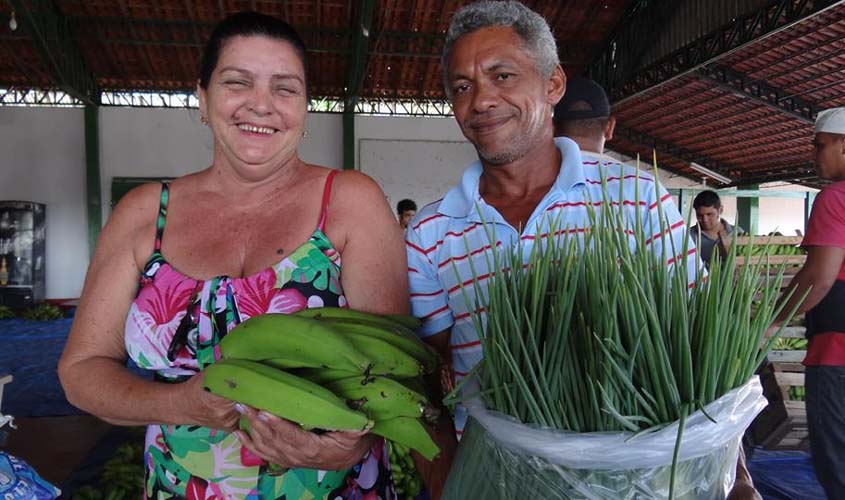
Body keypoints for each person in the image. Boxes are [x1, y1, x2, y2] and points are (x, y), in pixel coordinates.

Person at [57, 12, 407, 499]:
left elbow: (394, 370)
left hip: (334, 487)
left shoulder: (350, 201)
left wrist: (349, 446)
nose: (261, 105)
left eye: (285, 89)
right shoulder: (144, 213)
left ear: (306, 108)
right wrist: (182, 404)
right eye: (237, 82)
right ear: (202, 98)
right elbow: (81, 371)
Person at [405, 2, 701, 497]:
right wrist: (450, 485)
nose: (481, 100)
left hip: (632, 480)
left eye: (502, 75)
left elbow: (697, 346)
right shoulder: (431, 233)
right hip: (494, 478)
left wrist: (737, 478)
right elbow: (425, 378)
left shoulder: (636, 198)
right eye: (462, 86)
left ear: (553, 85)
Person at [553, 75, 762, 500]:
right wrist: (738, 473)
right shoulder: (642, 189)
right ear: (610, 127)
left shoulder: (536, 195)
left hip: (552, 423)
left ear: (552, 126)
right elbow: (698, 306)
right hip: (646, 415)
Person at [771, 106, 845, 499]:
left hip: (837, 355)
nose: (814, 155)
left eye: (820, 146)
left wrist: (769, 321)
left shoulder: (835, 198)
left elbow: (818, 278)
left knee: (838, 465)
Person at [689, 190, 742, 268]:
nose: (705, 220)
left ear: (720, 210)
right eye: (700, 215)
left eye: (709, 214)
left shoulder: (737, 232)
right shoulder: (689, 237)